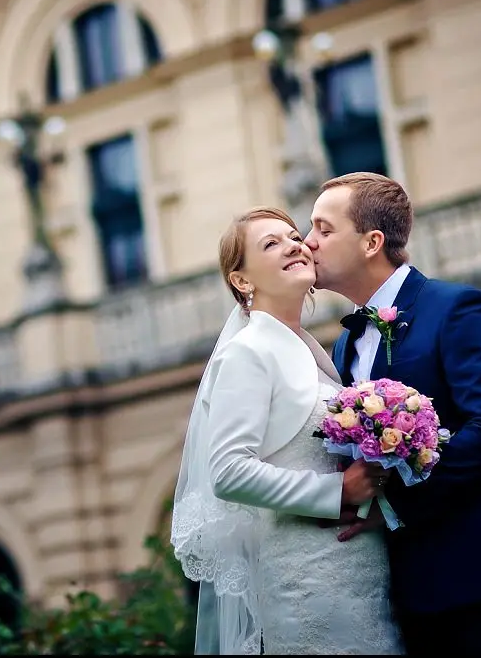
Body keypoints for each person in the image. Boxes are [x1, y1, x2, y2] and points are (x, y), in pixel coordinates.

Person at [304, 172, 481, 656]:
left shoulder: (457, 308)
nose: (308, 243)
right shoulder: (344, 345)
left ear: (371, 242)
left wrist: (390, 502)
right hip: (406, 597)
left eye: (324, 229)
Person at [170, 205, 403, 655]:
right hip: (309, 578)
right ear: (242, 280)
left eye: (293, 236)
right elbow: (228, 472)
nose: (294, 245)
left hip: (360, 568)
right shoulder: (248, 352)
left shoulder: (313, 350)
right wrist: (338, 490)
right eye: (270, 243)